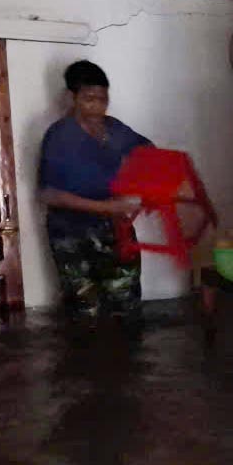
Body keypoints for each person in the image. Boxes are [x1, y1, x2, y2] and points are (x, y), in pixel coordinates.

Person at [38, 60, 152, 318]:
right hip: (71, 234)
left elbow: (147, 150)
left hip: (115, 229)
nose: (97, 106)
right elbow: (48, 194)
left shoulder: (115, 129)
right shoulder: (59, 137)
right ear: (72, 97)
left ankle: (126, 356)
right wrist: (106, 206)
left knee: (127, 303)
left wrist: (145, 182)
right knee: (86, 311)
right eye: (89, 99)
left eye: (103, 99)